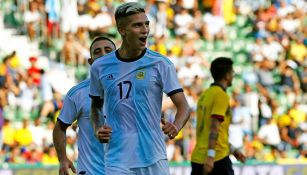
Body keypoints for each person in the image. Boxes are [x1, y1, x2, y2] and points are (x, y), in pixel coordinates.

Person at [89, 2, 190, 175]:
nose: (145, 30)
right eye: (137, 25)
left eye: (146, 24)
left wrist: (177, 125)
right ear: (122, 30)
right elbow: (95, 106)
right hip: (117, 159)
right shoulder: (100, 67)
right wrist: (97, 127)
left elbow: (183, 106)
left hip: (153, 156)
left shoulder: (161, 64)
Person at [53, 36, 116, 175]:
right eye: (97, 51)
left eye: (108, 50)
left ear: (117, 57)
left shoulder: (130, 89)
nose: (103, 54)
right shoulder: (77, 93)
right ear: (91, 61)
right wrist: (62, 159)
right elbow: (59, 128)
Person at [191, 57, 246, 175]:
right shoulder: (221, 96)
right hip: (216, 159)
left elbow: (208, 130)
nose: (233, 75)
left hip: (198, 157)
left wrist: (232, 149)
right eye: (232, 72)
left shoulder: (205, 95)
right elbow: (214, 127)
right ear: (227, 75)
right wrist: (210, 156)